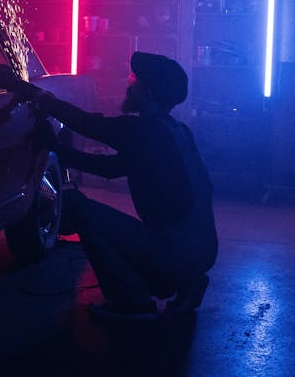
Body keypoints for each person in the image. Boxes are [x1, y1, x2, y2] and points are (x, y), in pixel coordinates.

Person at [14, 51, 218, 321]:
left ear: (148, 93)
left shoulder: (144, 131)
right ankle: (186, 280)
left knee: (76, 207)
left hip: (174, 250)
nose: (128, 86)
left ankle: (132, 301)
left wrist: (43, 99)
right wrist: (58, 149)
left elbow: (87, 124)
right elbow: (110, 168)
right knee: (123, 232)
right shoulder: (176, 131)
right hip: (199, 251)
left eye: (135, 81)